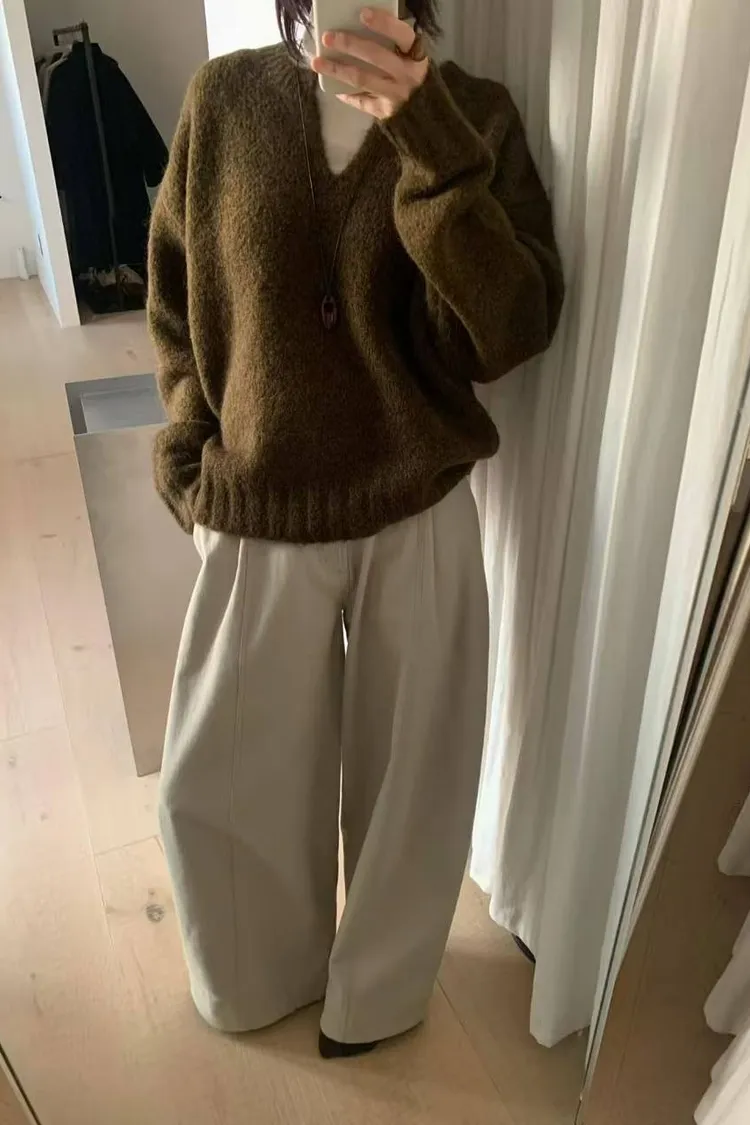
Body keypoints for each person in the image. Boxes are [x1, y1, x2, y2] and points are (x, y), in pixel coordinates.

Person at [148, 1, 563, 1060]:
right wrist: (191, 455)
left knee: (414, 787)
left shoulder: (474, 118)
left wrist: (426, 137)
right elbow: (174, 299)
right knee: (221, 780)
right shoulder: (225, 100)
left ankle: (378, 997)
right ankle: (253, 981)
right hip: (259, 505)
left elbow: (509, 329)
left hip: (415, 507)